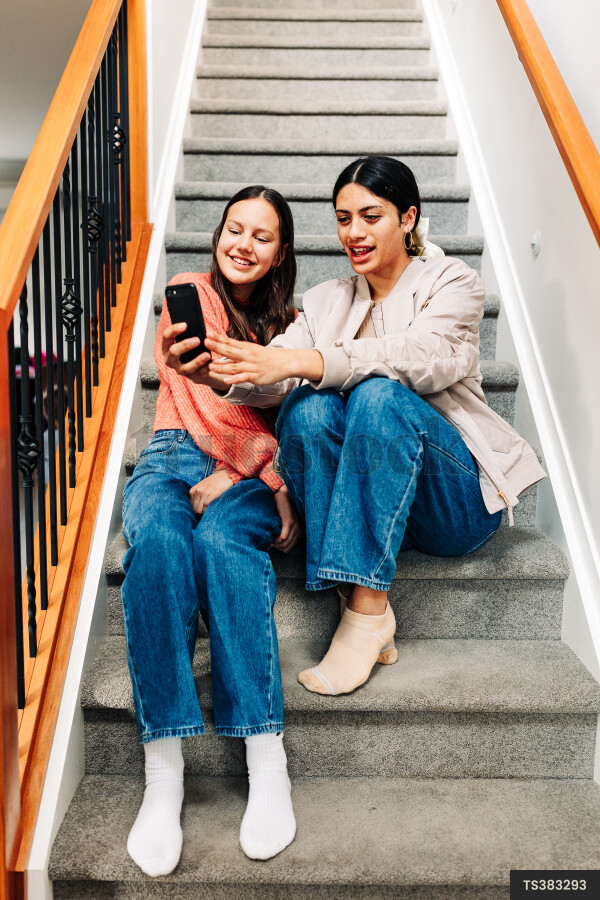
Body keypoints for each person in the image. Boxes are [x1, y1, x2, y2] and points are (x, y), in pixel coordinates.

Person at [189, 156, 546, 698]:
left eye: (370, 216)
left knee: (378, 396)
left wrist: (306, 362)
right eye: (342, 218)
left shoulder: (453, 280)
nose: (353, 232)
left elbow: (425, 357)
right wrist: (222, 376)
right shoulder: (326, 298)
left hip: (452, 501)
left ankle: (365, 612)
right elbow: (278, 371)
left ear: (408, 218)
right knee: (307, 411)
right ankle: (360, 594)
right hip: (372, 495)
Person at [121, 186, 301, 877]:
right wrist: (265, 463)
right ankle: (163, 776)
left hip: (251, 482)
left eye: (262, 235)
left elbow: (300, 422)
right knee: (163, 547)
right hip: (174, 459)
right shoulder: (188, 294)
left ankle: (266, 762)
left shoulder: (298, 325)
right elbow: (207, 403)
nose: (243, 244)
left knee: (222, 546)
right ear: (218, 233)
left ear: (281, 250)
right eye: (234, 228)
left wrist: (262, 477)